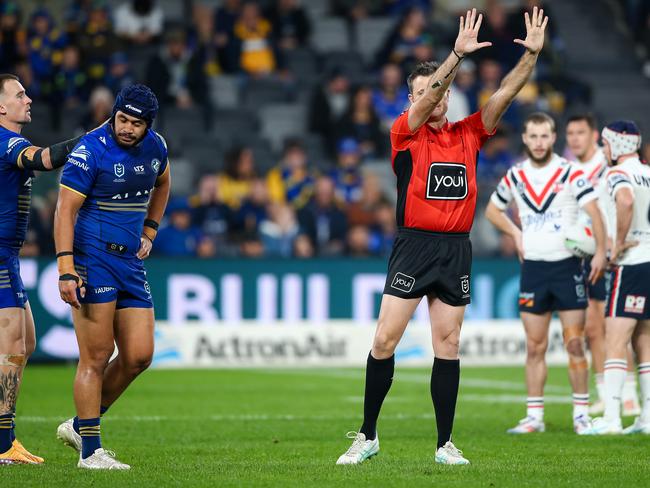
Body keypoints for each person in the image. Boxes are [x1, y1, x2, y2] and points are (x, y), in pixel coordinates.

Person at [336, 7, 549, 466]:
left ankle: (444, 444)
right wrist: (455, 55)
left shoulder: (469, 133)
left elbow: (505, 95)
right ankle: (368, 434)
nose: (434, 98)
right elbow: (427, 97)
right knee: (385, 341)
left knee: (447, 345)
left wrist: (530, 57)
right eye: (422, 93)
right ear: (411, 100)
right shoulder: (404, 134)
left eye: (440, 92)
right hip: (414, 245)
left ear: (449, 97)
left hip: (456, 250)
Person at [54, 84, 171, 469]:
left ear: (147, 125)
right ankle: (91, 451)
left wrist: (150, 230)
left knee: (139, 355)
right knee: (97, 354)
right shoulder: (90, 151)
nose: (126, 128)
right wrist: (66, 268)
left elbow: (163, 182)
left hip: (130, 264)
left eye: (135, 124)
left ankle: (79, 424)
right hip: (93, 260)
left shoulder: (157, 147)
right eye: (122, 119)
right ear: (114, 113)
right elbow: (64, 212)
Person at [485, 112, 608, 434]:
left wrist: (599, 253)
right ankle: (534, 417)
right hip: (534, 270)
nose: (539, 142)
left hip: (567, 267)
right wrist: (515, 234)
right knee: (535, 347)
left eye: (545, 136)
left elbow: (595, 212)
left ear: (554, 139)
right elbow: (491, 210)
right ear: (524, 139)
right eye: (533, 136)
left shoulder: (570, 172)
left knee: (575, 344)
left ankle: (581, 415)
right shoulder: (515, 176)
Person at [0, 73, 84, 464]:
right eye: (19, 95)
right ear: (1, 107)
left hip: (8, 257)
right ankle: (4, 445)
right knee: (12, 349)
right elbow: (44, 159)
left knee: (25, 345)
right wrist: (96, 136)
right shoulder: (6, 142)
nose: (29, 99)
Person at [565, 114, 641, 416]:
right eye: (570, 133)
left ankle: (629, 396)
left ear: (595, 135)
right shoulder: (573, 169)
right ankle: (607, 392)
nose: (574, 138)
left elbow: (623, 201)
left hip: (615, 253)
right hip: (592, 252)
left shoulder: (608, 164)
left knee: (621, 327)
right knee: (595, 328)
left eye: (580, 132)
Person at [579, 121, 650, 435]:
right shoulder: (647, 172)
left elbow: (624, 200)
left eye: (607, 144)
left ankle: (610, 418)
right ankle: (647, 418)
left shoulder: (616, 174)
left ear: (618, 144)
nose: (604, 149)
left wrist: (618, 243)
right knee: (644, 340)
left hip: (631, 263)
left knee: (615, 340)